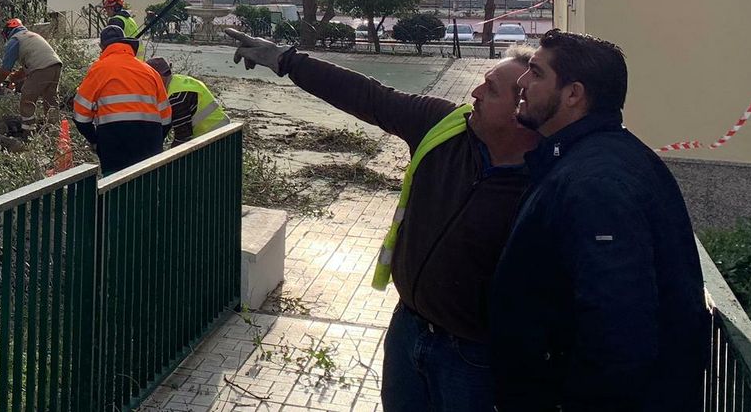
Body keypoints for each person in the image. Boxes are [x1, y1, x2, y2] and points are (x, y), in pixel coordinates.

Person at [225, 27, 539, 412]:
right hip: (408, 329)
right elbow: (369, 96)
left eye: (490, 90)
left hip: (474, 359)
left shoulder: (547, 182)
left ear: (525, 108)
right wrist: (286, 60)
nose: (474, 94)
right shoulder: (444, 125)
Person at [490, 30, 706, 410]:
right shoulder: (590, 157)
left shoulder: (596, 183)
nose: (522, 82)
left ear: (574, 94)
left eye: (537, 74)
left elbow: (618, 331)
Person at [72, 24, 171, 173]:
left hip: (114, 140)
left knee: (116, 190)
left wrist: (94, 140)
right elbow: (166, 117)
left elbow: (80, 115)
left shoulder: (99, 69)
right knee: (147, 188)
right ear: (127, 44)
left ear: (102, 46)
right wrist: (155, 140)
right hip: (149, 139)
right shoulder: (150, 71)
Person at [146, 57, 228, 146]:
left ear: (158, 77)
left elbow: (182, 139)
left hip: (215, 138)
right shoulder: (179, 82)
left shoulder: (176, 97)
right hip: (221, 132)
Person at [0, 18, 63, 117]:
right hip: (56, 65)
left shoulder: (15, 39)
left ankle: (28, 129)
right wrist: (13, 78)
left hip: (41, 68)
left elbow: (6, 68)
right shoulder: (32, 35)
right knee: (50, 99)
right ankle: (53, 128)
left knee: (27, 97)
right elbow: (29, 67)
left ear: (8, 31)